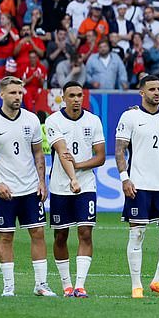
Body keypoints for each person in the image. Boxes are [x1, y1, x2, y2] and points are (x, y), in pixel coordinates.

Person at [0, 76, 55, 297]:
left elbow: (38, 152)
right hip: (6, 192)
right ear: (2, 95)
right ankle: (8, 287)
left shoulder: (31, 120)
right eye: (12, 93)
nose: (17, 97)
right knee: (6, 237)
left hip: (31, 189)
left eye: (20, 93)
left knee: (38, 233)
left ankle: (41, 284)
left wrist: (42, 181)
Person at [115, 74, 159, 299]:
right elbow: (120, 149)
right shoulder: (130, 116)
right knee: (137, 233)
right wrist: (125, 177)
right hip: (138, 184)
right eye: (152, 89)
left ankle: (158, 280)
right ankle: (136, 285)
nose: (156, 93)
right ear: (142, 92)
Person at [45, 81, 105, 298]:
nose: (77, 99)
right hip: (61, 186)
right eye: (72, 95)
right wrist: (72, 178)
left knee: (85, 232)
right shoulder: (53, 120)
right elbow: (62, 152)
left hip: (86, 185)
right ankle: (66, 285)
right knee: (61, 235)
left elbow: (99, 157)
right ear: (63, 97)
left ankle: (80, 286)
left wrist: (79, 167)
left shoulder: (93, 120)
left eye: (80, 95)